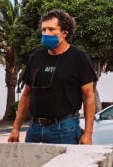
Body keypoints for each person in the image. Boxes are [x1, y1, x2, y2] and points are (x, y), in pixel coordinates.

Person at [8, 9, 96, 145]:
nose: (46, 33)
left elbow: (88, 96)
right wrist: (15, 128)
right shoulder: (36, 57)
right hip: (34, 128)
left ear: (64, 33)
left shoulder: (79, 57)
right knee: (32, 166)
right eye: (43, 30)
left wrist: (88, 133)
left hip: (64, 128)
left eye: (51, 29)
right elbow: (26, 95)